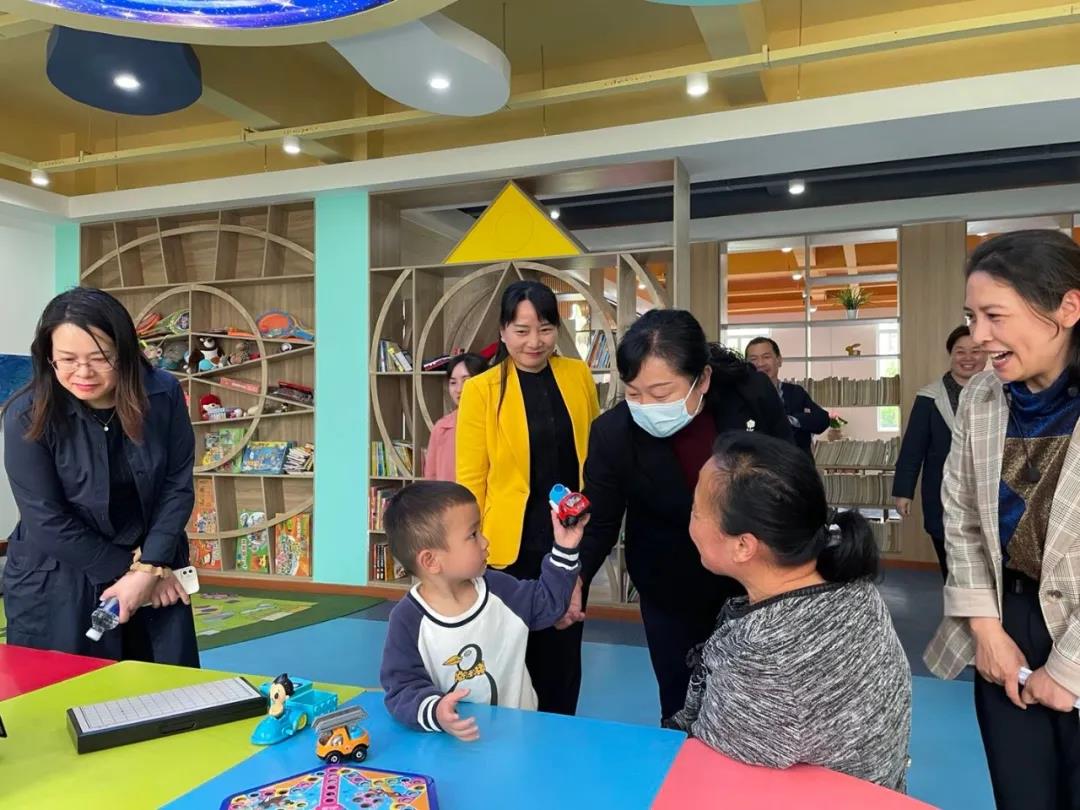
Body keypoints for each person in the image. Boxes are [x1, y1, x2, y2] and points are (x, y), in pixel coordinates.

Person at [925, 230, 1080, 810]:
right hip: (1007, 622)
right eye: (972, 317)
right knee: (1021, 794)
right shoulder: (982, 397)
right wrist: (987, 632)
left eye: (995, 315)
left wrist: (1069, 667)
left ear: (1067, 308)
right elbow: (961, 516)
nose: (978, 336)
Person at [578, 309, 793, 723]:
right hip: (669, 584)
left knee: (761, 706)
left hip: (758, 582)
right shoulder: (612, 433)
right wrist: (576, 578)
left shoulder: (750, 394)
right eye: (634, 393)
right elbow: (601, 520)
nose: (646, 406)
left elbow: (790, 475)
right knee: (681, 704)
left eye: (661, 394)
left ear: (703, 378)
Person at [671, 431, 911, 791]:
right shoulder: (856, 592)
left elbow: (717, 775)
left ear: (743, 546)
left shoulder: (764, 655)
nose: (689, 518)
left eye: (695, 510)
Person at [2, 287, 198, 665]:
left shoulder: (163, 394)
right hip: (60, 574)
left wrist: (152, 563)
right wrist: (139, 574)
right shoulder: (26, 413)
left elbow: (176, 486)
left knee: (162, 687)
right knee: (62, 688)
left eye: (100, 358)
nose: (83, 372)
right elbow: (45, 518)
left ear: (125, 351)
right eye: (67, 359)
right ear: (47, 356)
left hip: (153, 561)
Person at [456, 280, 599, 715]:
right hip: (509, 546)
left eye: (545, 329)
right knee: (510, 656)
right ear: (503, 331)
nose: (534, 342)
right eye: (521, 330)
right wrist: (468, 545)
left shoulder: (577, 376)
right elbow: (470, 479)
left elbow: (593, 459)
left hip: (567, 538)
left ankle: (558, 735)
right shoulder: (482, 389)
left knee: (562, 655)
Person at [379, 480, 586, 739]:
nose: (485, 541)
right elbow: (402, 687)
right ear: (431, 561)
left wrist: (565, 548)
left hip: (520, 735)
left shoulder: (500, 590)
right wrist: (437, 711)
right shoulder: (407, 620)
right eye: (473, 535)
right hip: (457, 745)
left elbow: (549, 604)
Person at [892, 325, 985, 580]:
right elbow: (913, 448)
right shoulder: (929, 397)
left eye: (976, 351)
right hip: (943, 494)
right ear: (951, 355)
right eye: (960, 351)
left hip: (988, 495)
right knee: (951, 569)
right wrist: (903, 491)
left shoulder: (1002, 393)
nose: (968, 358)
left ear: (986, 354)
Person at [745, 336, 829, 455]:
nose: (760, 364)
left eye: (766, 357)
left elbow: (822, 419)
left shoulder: (795, 392)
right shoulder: (740, 396)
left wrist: (790, 421)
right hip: (758, 462)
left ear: (779, 360)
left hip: (795, 462)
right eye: (753, 359)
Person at [424, 353, 488, 482]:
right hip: (448, 495)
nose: (459, 389)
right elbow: (431, 478)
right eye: (453, 382)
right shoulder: (442, 427)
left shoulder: (498, 422)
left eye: (466, 381)